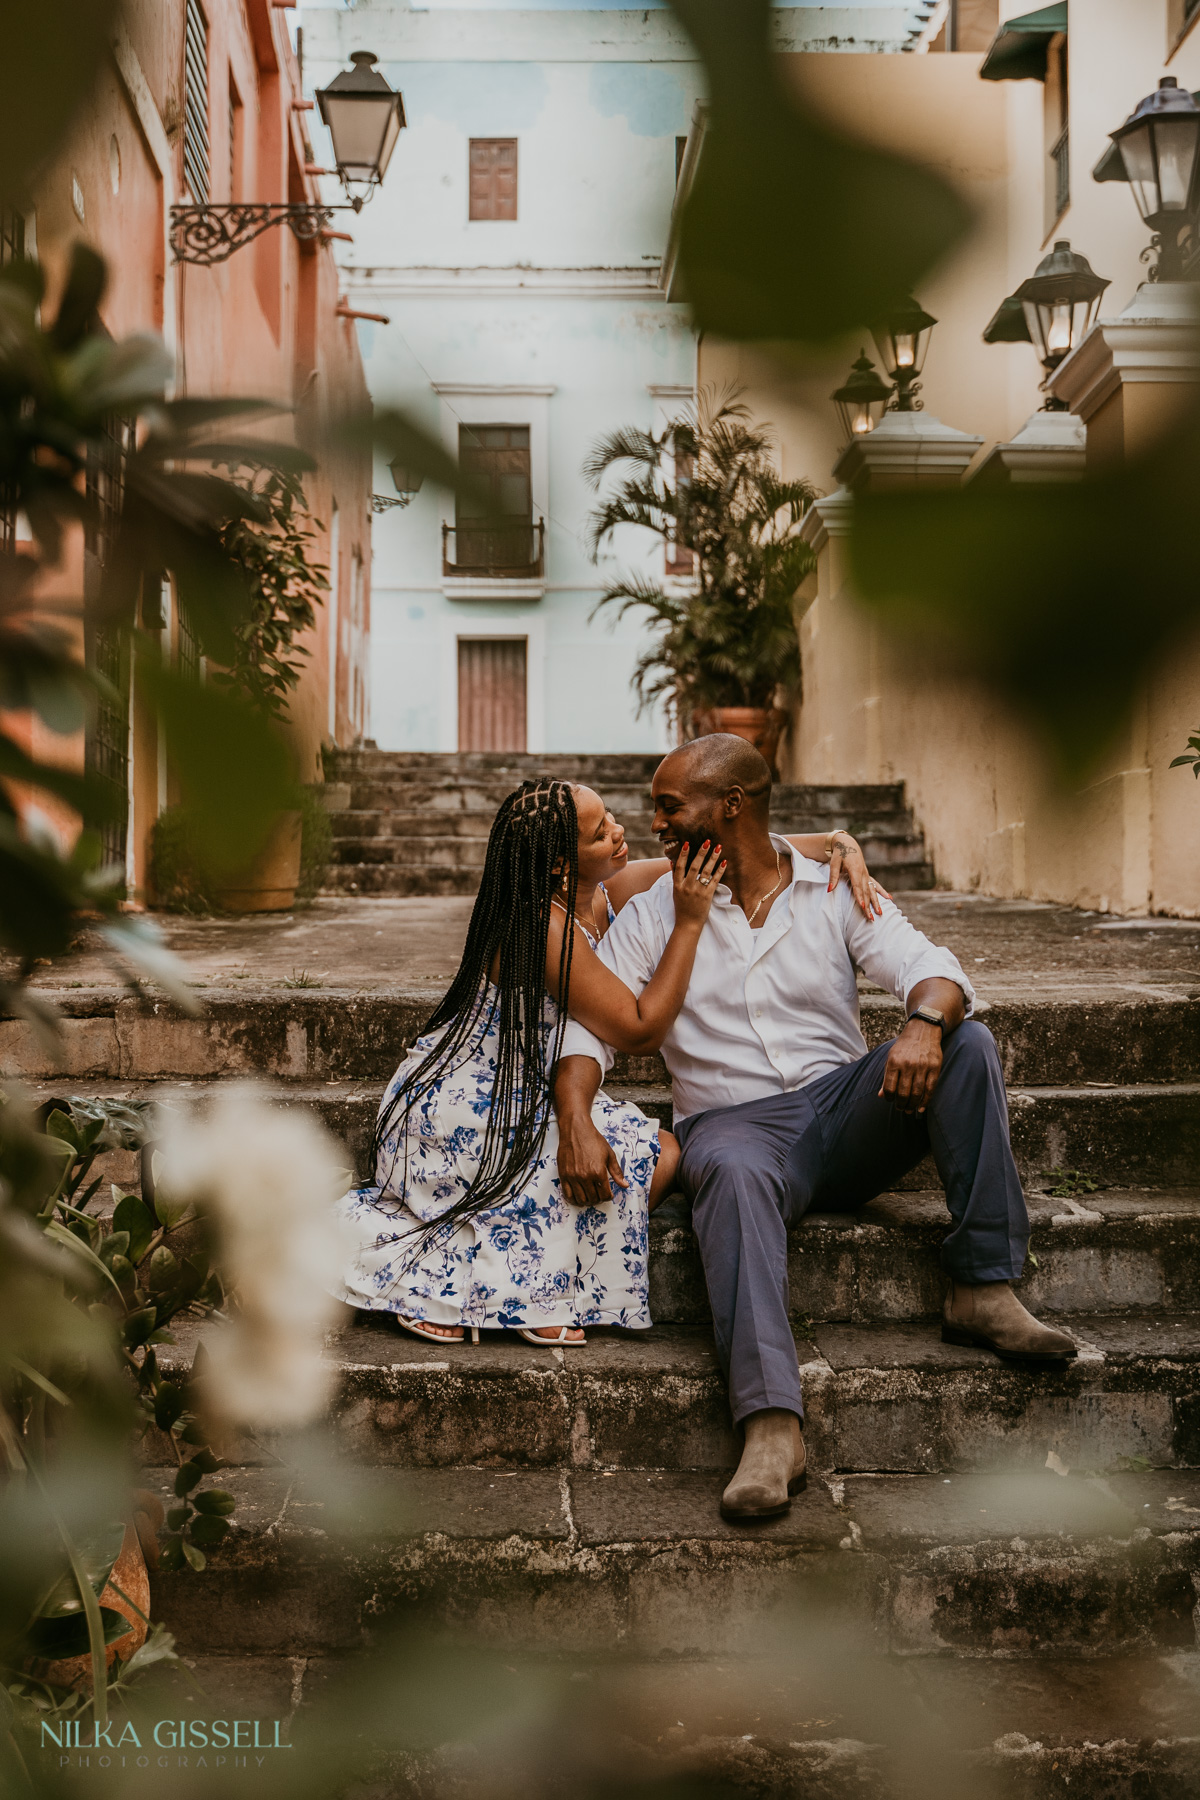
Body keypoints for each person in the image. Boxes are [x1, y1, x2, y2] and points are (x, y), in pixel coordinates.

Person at [551, 735, 1076, 1520]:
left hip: (845, 1109)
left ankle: (982, 1287)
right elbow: (593, 1031)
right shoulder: (655, 910)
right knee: (724, 1167)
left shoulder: (834, 888)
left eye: (670, 806)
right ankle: (771, 1425)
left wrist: (925, 1021)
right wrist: (574, 1115)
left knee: (968, 1042)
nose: (655, 823)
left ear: (729, 806)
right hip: (734, 1129)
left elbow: (926, 962)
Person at [334, 773, 888, 1348]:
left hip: (545, 1085)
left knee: (662, 1155)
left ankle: (523, 1276)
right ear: (559, 866)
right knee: (609, 1166)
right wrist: (690, 923)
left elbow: (736, 846)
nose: (622, 832)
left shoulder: (604, 889)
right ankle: (484, 1287)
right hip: (478, 1100)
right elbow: (640, 1028)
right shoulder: (539, 926)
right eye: (601, 833)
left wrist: (839, 843)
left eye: (611, 819)